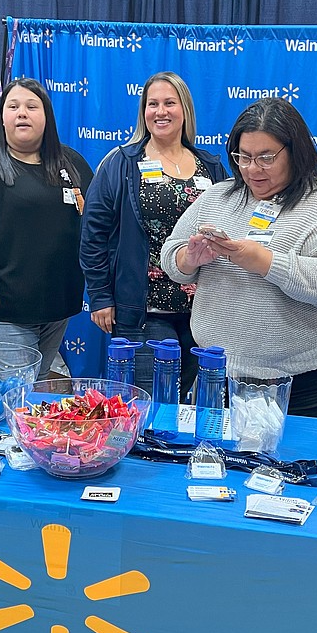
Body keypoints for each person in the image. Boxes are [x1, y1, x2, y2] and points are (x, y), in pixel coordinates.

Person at [160, 97, 317, 419]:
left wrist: (268, 263)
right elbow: (172, 254)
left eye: (266, 158)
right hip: (220, 372)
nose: (252, 169)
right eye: (243, 157)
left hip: (305, 380)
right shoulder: (218, 197)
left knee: (294, 452)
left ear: (295, 152)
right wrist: (189, 258)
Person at [80, 72, 227, 395]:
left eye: (169, 103)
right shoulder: (121, 164)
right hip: (144, 312)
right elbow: (93, 235)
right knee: (151, 402)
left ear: (184, 109)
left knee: (186, 402)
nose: (161, 111)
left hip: (200, 311)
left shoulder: (211, 167)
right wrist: (100, 296)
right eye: (152, 104)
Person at [0, 78, 93, 378]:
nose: (22, 113)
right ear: (2, 116)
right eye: (13, 106)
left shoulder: (71, 163)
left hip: (57, 306)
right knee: (18, 393)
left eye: (31, 106)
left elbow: (97, 218)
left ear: (46, 116)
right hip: (6, 307)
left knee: (37, 386)